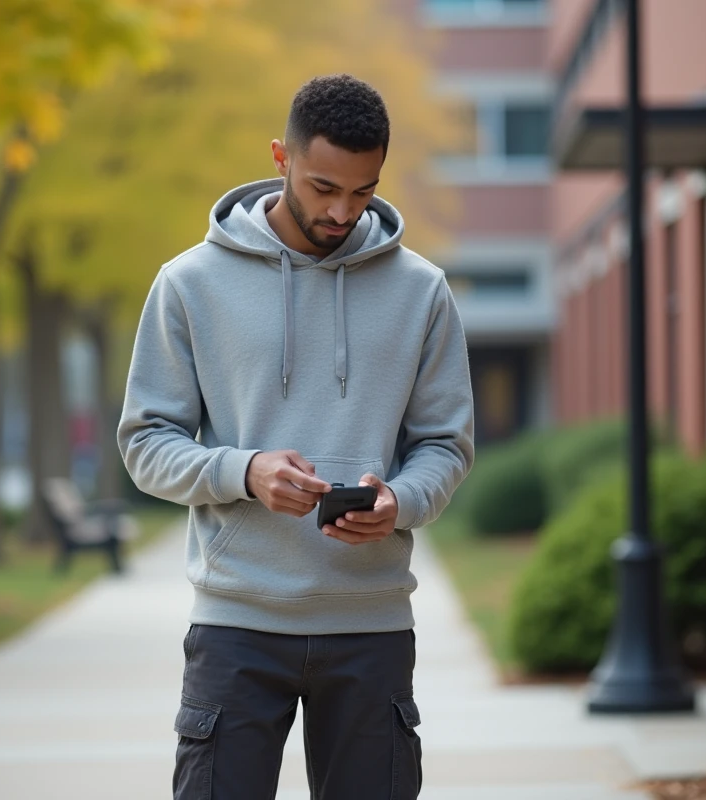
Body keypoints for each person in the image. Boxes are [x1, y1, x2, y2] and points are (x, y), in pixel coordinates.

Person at [118, 73, 475, 800]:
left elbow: (447, 443)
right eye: (322, 187)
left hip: (371, 626)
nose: (342, 211)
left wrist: (399, 501)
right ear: (281, 157)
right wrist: (243, 472)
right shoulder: (189, 283)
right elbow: (146, 441)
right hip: (238, 622)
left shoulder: (422, 290)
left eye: (363, 190)